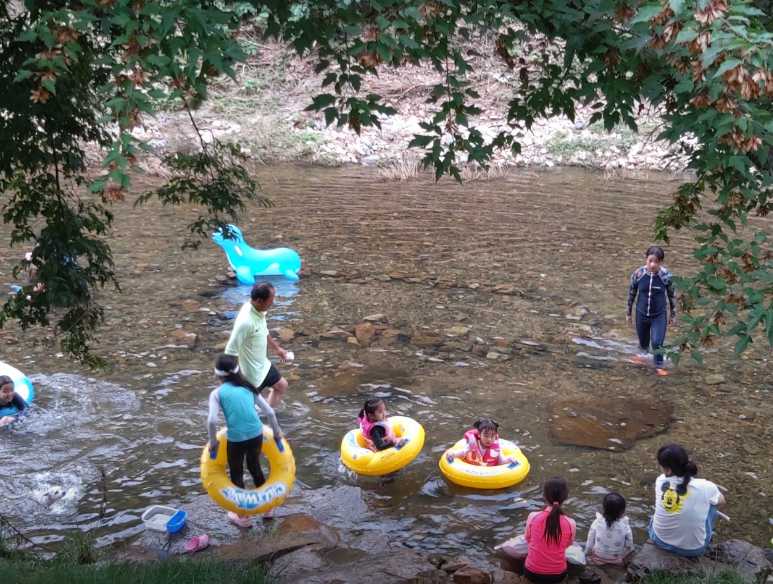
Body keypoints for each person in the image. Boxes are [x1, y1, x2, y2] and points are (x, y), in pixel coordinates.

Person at [207, 354, 283, 528]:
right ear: (238, 370)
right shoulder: (248, 387)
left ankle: (242, 517)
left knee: (236, 472)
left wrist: (213, 442)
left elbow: (212, 421)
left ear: (218, 375)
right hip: (256, 434)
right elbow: (270, 413)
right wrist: (277, 434)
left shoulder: (217, 393)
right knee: (255, 467)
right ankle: (268, 509)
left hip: (236, 438)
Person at [649, 443, 725, 557]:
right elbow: (723, 501)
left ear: (668, 470)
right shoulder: (706, 486)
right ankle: (708, 534)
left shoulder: (660, 481)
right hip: (694, 550)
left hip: (660, 540)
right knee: (713, 504)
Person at [225, 282, 290, 407]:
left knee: (281, 386)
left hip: (263, 365)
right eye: (271, 300)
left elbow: (263, 329)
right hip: (252, 375)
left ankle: (265, 415)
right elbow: (230, 351)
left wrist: (277, 349)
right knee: (244, 409)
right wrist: (231, 379)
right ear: (260, 300)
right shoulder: (245, 322)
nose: (273, 302)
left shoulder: (258, 310)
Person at [626, 245, 676, 375]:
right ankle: (643, 358)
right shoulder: (638, 274)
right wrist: (629, 313)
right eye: (650, 261)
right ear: (646, 259)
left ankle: (659, 366)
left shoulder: (666, 277)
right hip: (641, 314)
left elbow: (672, 296)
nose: (653, 265)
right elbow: (631, 293)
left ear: (661, 262)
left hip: (658, 316)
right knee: (643, 344)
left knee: (657, 343)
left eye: (656, 262)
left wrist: (673, 315)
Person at [523, 477, 576, 583]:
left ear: (544, 496)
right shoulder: (571, 523)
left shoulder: (533, 516)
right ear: (565, 497)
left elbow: (527, 539)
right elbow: (568, 545)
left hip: (531, 573)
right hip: (558, 575)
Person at [585, 492, 634, 565]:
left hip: (597, 558)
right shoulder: (625, 525)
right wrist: (623, 556)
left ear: (604, 509)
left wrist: (587, 553)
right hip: (616, 559)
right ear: (622, 512)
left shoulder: (597, 522)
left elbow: (590, 542)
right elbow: (630, 546)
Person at [445, 418, 518, 466]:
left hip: (491, 474)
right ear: (479, 435)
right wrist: (452, 454)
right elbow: (463, 452)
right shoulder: (473, 444)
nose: (489, 439)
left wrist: (509, 459)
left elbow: (501, 461)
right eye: (486, 436)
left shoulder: (497, 447)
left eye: (492, 436)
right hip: (472, 472)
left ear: (495, 436)